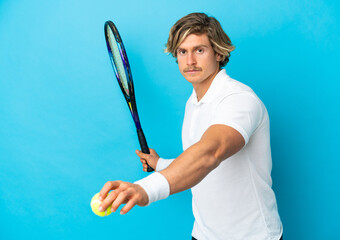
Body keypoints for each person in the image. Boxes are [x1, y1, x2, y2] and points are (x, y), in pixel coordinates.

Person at [98, 12, 283, 240]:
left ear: (218, 52)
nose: (190, 61)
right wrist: (161, 164)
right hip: (204, 235)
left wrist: (146, 188)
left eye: (199, 50)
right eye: (182, 51)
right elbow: (200, 164)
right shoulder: (193, 103)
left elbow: (210, 153)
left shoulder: (239, 99)